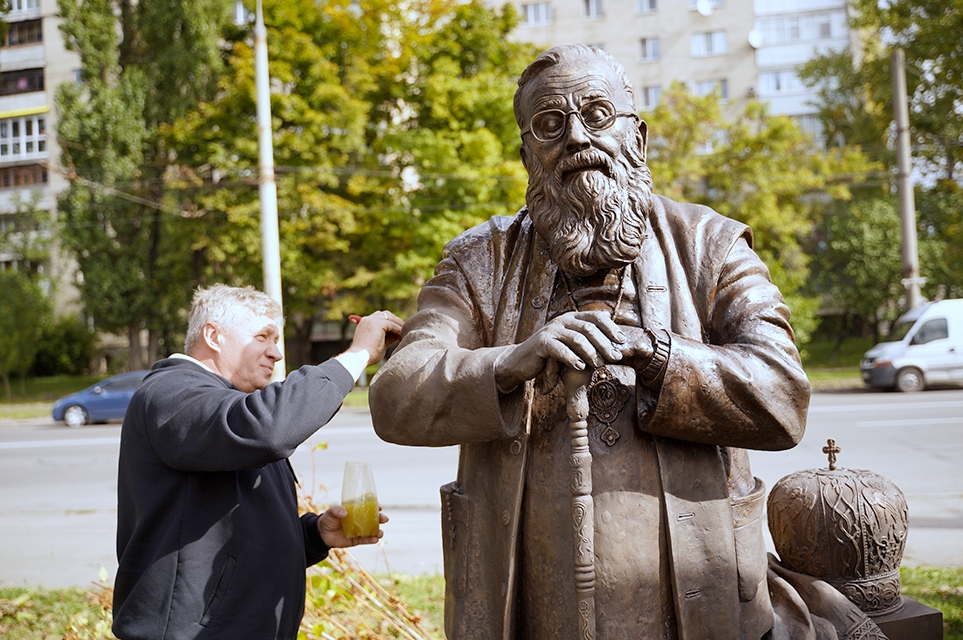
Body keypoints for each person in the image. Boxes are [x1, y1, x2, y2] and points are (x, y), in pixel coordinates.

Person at [369, 44, 811, 640]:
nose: (577, 137)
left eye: (597, 114)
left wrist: (659, 357)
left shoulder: (711, 244)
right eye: (549, 125)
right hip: (525, 605)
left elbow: (783, 395)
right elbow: (396, 395)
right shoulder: (480, 259)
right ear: (528, 152)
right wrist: (508, 364)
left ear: (638, 137)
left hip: (697, 603)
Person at [112, 284, 403, 640]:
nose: (276, 353)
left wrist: (314, 535)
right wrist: (357, 354)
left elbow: (232, 527)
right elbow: (271, 429)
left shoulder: (230, 406)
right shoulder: (170, 392)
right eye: (263, 336)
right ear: (213, 335)